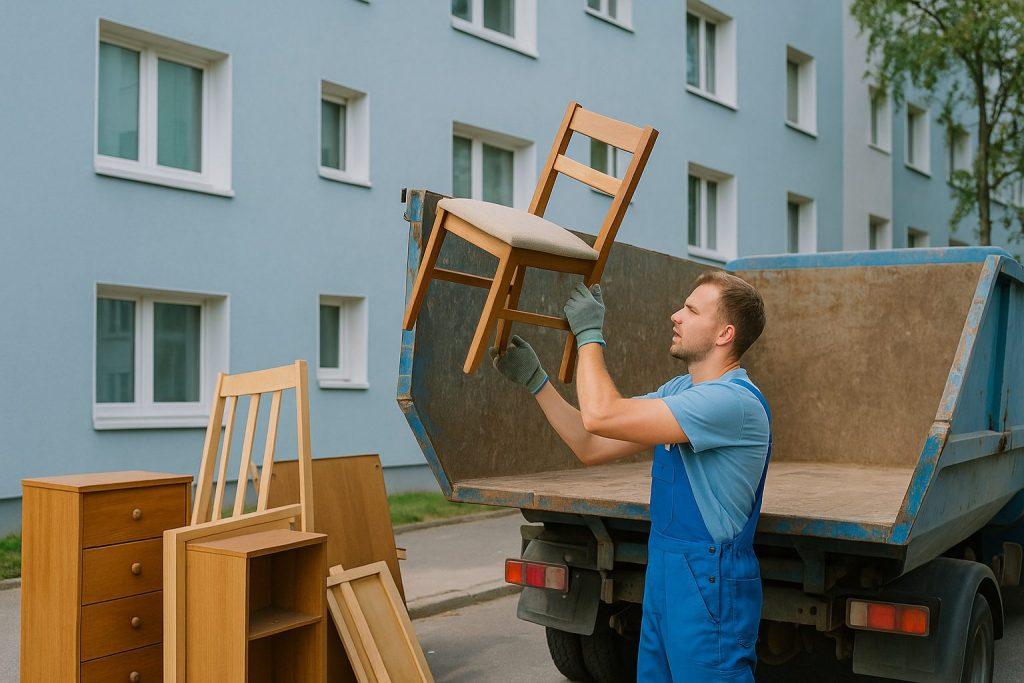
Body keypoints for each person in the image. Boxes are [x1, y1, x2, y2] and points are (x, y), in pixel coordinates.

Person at [489, 270, 770, 682]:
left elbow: (603, 414)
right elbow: (591, 443)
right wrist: (538, 383)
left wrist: (589, 336)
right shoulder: (680, 392)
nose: (676, 315)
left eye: (691, 310)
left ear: (725, 333)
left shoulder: (730, 403)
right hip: (668, 576)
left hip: (711, 585)